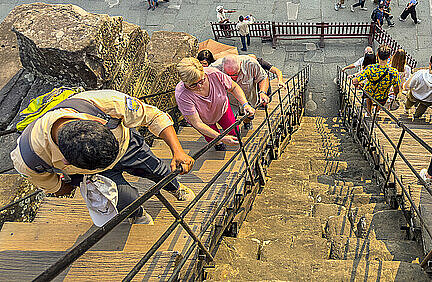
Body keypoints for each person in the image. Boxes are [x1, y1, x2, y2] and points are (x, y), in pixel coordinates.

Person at [11, 89, 196, 225]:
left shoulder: (105, 103)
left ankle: (175, 188)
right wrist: (65, 186)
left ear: (99, 121)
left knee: (157, 170)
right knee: (124, 199)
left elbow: (154, 116)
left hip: (127, 147)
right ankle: (137, 215)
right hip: (95, 174)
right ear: (66, 161)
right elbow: (55, 187)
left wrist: (177, 151)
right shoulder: (29, 158)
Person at [175, 58, 255, 152]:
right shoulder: (182, 94)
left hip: (222, 109)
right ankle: (219, 144)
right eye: (193, 85)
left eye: (201, 80)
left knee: (234, 131)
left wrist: (245, 104)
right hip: (203, 120)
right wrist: (221, 138)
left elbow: (233, 87)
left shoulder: (214, 74)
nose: (199, 86)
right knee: (212, 139)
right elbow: (197, 123)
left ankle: (225, 142)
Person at [210, 55, 270, 128]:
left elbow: (263, 78)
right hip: (230, 102)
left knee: (249, 116)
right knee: (231, 123)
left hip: (249, 98)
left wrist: (263, 92)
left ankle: (247, 122)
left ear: (241, 64)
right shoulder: (214, 69)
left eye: (235, 74)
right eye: (229, 75)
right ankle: (235, 132)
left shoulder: (251, 64)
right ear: (223, 66)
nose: (233, 78)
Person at [352, 46, 401, 116]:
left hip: (369, 92)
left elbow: (355, 81)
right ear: (389, 57)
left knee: (369, 99)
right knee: (381, 102)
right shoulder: (394, 72)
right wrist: (395, 94)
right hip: (382, 95)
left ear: (377, 55)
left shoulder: (370, 68)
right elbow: (396, 89)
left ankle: (369, 112)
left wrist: (358, 85)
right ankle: (376, 111)